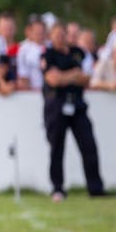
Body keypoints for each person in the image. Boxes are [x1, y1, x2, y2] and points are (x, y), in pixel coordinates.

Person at [40, 22, 104, 201]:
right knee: (57, 148)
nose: (60, 38)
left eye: (63, 34)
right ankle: (57, 188)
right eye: (57, 34)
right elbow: (53, 80)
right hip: (56, 106)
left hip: (77, 105)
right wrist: (73, 75)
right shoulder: (48, 55)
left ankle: (95, 188)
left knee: (89, 145)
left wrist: (66, 77)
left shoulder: (78, 53)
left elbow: (88, 77)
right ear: (51, 37)